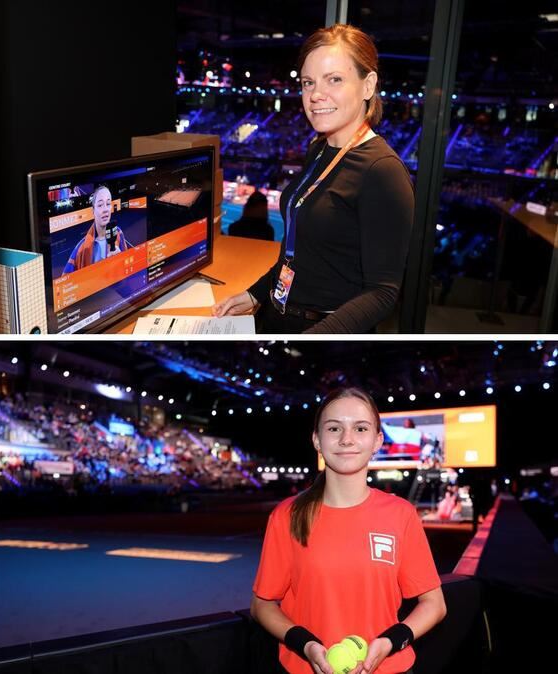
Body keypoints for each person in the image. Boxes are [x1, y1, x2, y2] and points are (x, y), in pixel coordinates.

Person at [212, 24, 414, 333]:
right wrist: (254, 293)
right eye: (308, 83)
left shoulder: (382, 170)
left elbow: (382, 293)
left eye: (334, 79)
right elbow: (300, 254)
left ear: (368, 85)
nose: (316, 95)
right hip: (276, 314)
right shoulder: (319, 149)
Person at [251, 387, 446, 674]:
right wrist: (306, 645)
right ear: (317, 439)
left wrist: (390, 642)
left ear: (377, 440)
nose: (346, 439)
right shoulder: (287, 516)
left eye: (360, 428)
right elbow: (262, 606)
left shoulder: (401, 514)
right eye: (333, 428)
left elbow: (435, 604)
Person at [61, 185, 134, 275]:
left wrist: (121, 261)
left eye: (108, 204)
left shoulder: (118, 232)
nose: (105, 210)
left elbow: (128, 268)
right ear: (93, 211)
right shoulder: (81, 247)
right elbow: (65, 280)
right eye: (100, 205)